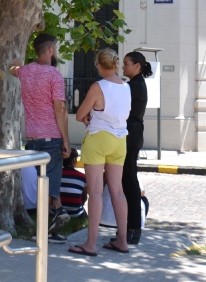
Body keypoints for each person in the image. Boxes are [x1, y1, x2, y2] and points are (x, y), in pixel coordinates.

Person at [8, 33, 71, 240]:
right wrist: (66, 140)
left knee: (45, 182)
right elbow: (60, 109)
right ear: (51, 49)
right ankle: (47, 225)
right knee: (49, 184)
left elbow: (13, 67)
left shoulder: (25, 72)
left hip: (33, 137)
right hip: (51, 136)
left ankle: (51, 223)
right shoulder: (54, 75)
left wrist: (19, 61)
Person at [68, 48, 130, 257]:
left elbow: (80, 114)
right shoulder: (126, 87)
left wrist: (87, 118)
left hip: (98, 138)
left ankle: (91, 243)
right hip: (120, 140)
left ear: (99, 65)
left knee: (95, 192)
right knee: (118, 191)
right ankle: (122, 239)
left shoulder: (98, 87)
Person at [122, 50, 152, 244]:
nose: (123, 67)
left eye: (126, 63)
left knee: (130, 182)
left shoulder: (133, 86)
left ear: (137, 66)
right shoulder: (136, 84)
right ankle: (130, 227)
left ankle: (133, 228)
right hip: (133, 134)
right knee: (128, 182)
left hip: (130, 136)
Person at [59, 148, 87, 218]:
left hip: (57, 212)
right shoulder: (82, 177)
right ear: (74, 160)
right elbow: (84, 197)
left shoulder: (56, 175)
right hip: (75, 213)